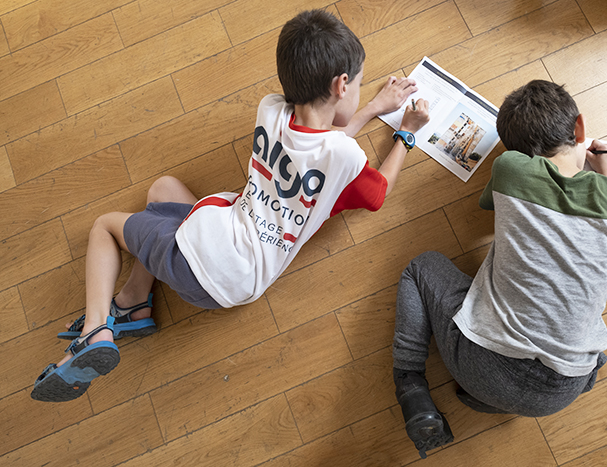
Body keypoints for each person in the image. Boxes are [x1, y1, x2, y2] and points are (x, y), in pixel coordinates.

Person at [31, 9, 430, 403]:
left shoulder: (270, 109)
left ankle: (112, 316)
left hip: (207, 250)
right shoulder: (345, 158)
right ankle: (115, 319)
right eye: (359, 85)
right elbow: (376, 190)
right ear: (342, 84)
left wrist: (373, 107)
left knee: (124, 214)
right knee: (153, 198)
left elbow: (323, 139)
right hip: (239, 279)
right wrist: (406, 135)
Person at [391, 80, 607, 458]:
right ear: (580, 128)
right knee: (588, 333)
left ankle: (409, 382)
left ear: (513, 150)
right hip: (562, 392)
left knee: (421, 266)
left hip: (482, 364)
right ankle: (499, 399)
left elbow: (488, 205)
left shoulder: (510, 169)